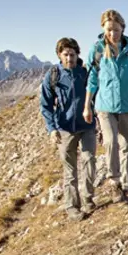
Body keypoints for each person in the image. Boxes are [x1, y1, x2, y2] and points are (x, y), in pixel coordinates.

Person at [83, 9, 128, 204]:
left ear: (122, 28)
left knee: (127, 145)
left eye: (116, 29)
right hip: (105, 106)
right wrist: (87, 106)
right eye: (109, 30)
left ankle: (125, 184)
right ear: (103, 29)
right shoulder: (97, 50)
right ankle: (114, 183)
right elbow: (92, 80)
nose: (112, 33)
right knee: (111, 141)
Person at [40, 38, 96, 220]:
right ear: (59, 55)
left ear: (77, 54)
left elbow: (96, 96)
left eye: (72, 54)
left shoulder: (85, 73)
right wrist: (52, 129)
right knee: (70, 170)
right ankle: (72, 206)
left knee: (89, 160)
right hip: (64, 128)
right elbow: (46, 104)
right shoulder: (53, 75)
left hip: (87, 125)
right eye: (66, 54)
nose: (69, 58)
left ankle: (88, 199)